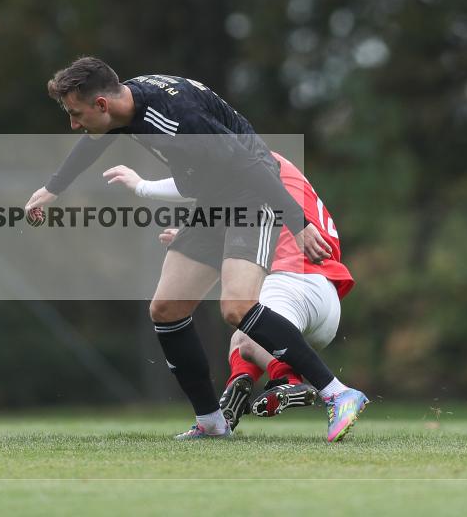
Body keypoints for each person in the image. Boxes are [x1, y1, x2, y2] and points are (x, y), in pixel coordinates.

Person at [27, 57, 367, 442]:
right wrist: (54, 188)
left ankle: (338, 393)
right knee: (167, 308)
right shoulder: (127, 98)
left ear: (102, 105)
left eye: (76, 114)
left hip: (249, 193)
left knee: (236, 308)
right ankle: (211, 421)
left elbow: (249, 165)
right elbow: (94, 140)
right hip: (214, 198)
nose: (74, 124)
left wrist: (297, 222)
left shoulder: (179, 118)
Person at [106, 152, 354, 431]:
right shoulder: (265, 175)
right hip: (320, 296)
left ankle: (299, 383)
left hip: (295, 282)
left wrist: (142, 186)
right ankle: (239, 384)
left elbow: (192, 185)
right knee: (240, 335)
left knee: (246, 328)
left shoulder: (253, 162)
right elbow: (250, 230)